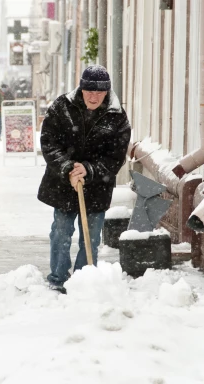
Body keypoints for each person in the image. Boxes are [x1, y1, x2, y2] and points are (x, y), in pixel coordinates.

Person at [37, 65, 131, 293]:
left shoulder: (117, 117)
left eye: (99, 92)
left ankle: (83, 280)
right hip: (62, 184)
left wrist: (88, 170)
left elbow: (115, 157)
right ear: (81, 88)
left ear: (107, 92)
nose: (93, 96)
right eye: (89, 90)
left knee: (90, 237)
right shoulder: (62, 107)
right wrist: (69, 168)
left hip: (97, 186)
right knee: (61, 232)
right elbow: (49, 142)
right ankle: (58, 278)